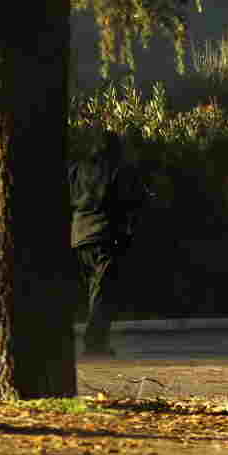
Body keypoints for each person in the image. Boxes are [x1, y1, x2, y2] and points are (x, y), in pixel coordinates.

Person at [68, 130, 150, 358]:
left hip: (79, 236)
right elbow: (132, 202)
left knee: (93, 291)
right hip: (105, 235)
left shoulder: (77, 169)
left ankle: (95, 340)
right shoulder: (119, 170)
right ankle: (95, 343)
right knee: (102, 293)